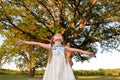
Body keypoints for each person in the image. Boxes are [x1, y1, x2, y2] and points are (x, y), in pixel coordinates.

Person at [16, 33, 93, 80]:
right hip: (53, 65)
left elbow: (76, 49)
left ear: (62, 40)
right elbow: (37, 43)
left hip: (63, 66)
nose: (58, 35)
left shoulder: (65, 47)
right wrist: (24, 42)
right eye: (56, 35)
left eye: (60, 35)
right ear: (53, 40)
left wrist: (86, 53)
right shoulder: (50, 46)